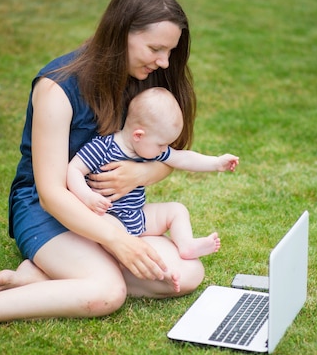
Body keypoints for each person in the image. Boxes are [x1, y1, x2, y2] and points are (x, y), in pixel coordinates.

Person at [0, 0, 207, 354]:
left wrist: (144, 173)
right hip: (47, 210)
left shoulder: (145, 80)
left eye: (169, 51)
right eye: (156, 49)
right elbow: (52, 193)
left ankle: (38, 278)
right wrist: (118, 242)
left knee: (186, 273)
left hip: (111, 212)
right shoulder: (57, 88)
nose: (164, 62)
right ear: (121, 33)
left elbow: (168, 155)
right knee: (107, 293)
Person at [67, 87, 239, 260]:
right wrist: (87, 196)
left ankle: (186, 245)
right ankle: (130, 254)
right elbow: (74, 169)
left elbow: (184, 159)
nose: (164, 150)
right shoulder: (102, 147)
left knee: (177, 210)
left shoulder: (151, 147)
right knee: (108, 227)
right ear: (138, 135)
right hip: (107, 216)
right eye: (161, 145)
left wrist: (216, 163)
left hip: (137, 215)